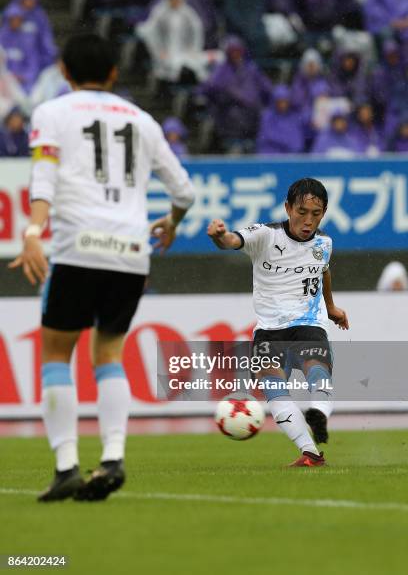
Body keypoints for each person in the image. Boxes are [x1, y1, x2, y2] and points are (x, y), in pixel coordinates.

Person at [9, 34, 195, 502]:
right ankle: (112, 456)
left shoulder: (52, 113)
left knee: (57, 354)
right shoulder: (143, 121)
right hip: (130, 254)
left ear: (64, 73)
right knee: (108, 354)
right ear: (114, 73)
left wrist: (32, 233)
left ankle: (67, 465)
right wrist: (170, 224)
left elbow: (44, 177)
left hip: (77, 248)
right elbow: (185, 192)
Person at [207, 178, 349, 466]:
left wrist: (331, 307)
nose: (308, 220)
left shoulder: (324, 243)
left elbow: (324, 272)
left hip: (308, 324)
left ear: (323, 213)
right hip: (269, 329)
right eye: (301, 212)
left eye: (316, 214)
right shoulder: (264, 235)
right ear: (287, 208)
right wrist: (219, 236)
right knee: (278, 388)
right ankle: (311, 450)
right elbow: (232, 241)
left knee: (314, 374)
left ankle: (317, 417)